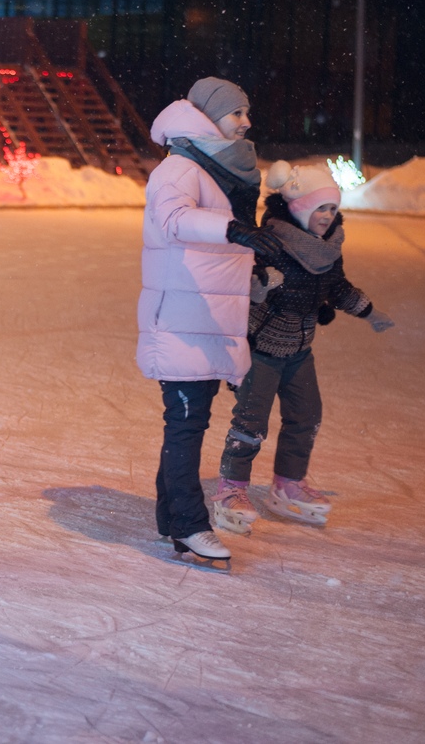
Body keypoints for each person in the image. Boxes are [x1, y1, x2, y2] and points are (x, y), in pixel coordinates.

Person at [137, 77, 282, 566]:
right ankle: (190, 526)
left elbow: (215, 249)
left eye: (247, 112)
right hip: (179, 319)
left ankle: (169, 520)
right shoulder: (179, 166)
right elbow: (175, 221)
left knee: (185, 423)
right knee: (186, 426)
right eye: (236, 113)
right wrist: (236, 231)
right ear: (207, 115)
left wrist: (254, 275)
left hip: (203, 315)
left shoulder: (218, 168)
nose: (246, 122)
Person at [211, 161, 394, 533]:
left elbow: (337, 287)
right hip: (261, 348)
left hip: (299, 350)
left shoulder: (327, 250)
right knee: (250, 424)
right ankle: (231, 488)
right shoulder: (272, 242)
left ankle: (288, 483)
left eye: (332, 208)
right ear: (298, 208)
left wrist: (369, 312)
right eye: (320, 207)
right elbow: (240, 282)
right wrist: (260, 283)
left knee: (307, 416)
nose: (328, 216)